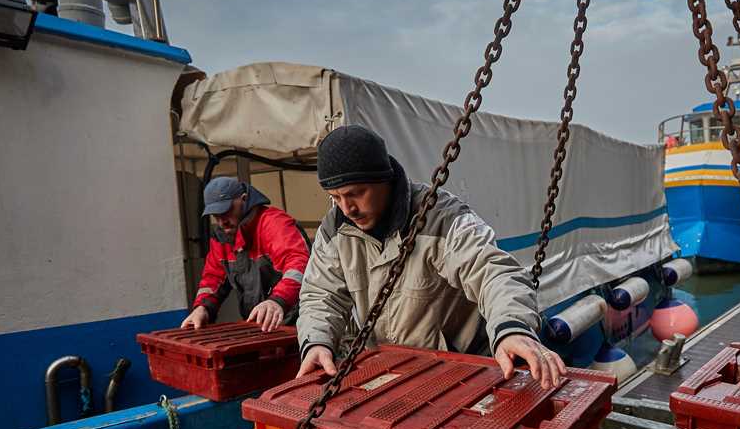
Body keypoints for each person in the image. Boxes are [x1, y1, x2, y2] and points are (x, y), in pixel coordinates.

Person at [295, 124, 567, 389]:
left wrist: (512, 328)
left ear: (384, 178)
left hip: (459, 374)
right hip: (386, 376)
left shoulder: (442, 218)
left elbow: (492, 272)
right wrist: (317, 341)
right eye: (336, 197)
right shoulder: (334, 229)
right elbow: (321, 294)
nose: (348, 208)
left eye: (356, 194)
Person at [181, 176, 310, 332]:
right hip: (261, 327)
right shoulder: (222, 239)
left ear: (244, 199)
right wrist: (202, 307)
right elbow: (212, 278)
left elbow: (299, 264)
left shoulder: (274, 223)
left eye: (226, 211)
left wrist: (278, 300)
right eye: (216, 216)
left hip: (299, 325)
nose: (222, 222)